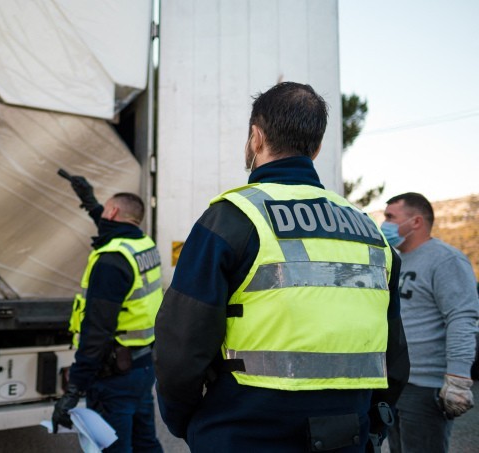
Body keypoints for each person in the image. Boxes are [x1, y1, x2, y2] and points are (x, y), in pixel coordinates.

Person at [153, 82, 410, 452]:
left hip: (241, 434)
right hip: (343, 436)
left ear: (256, 138)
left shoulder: (231, 219)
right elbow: (395, 355)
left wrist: (189, 422)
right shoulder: (371, 233)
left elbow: (180, 346)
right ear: (317, 147)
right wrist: (368, 423)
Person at [52, 176, 163, 453]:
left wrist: (74, 389)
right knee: (145, 442)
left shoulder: (111, 261)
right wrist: (89, 201)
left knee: (113, 448)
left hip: (114, 375)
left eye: (104, 210)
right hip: (142, 367)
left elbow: (97, 332)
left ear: (113, 212)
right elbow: (109, 228)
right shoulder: (143, 245)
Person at [382, 192, 479, 453]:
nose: (385, 224)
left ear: (415, 222)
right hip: (393, 381)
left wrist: (458, 377)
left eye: (391, 217)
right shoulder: (392, 259)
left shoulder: (446, 259)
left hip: (425, 386)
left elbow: (461, 317)